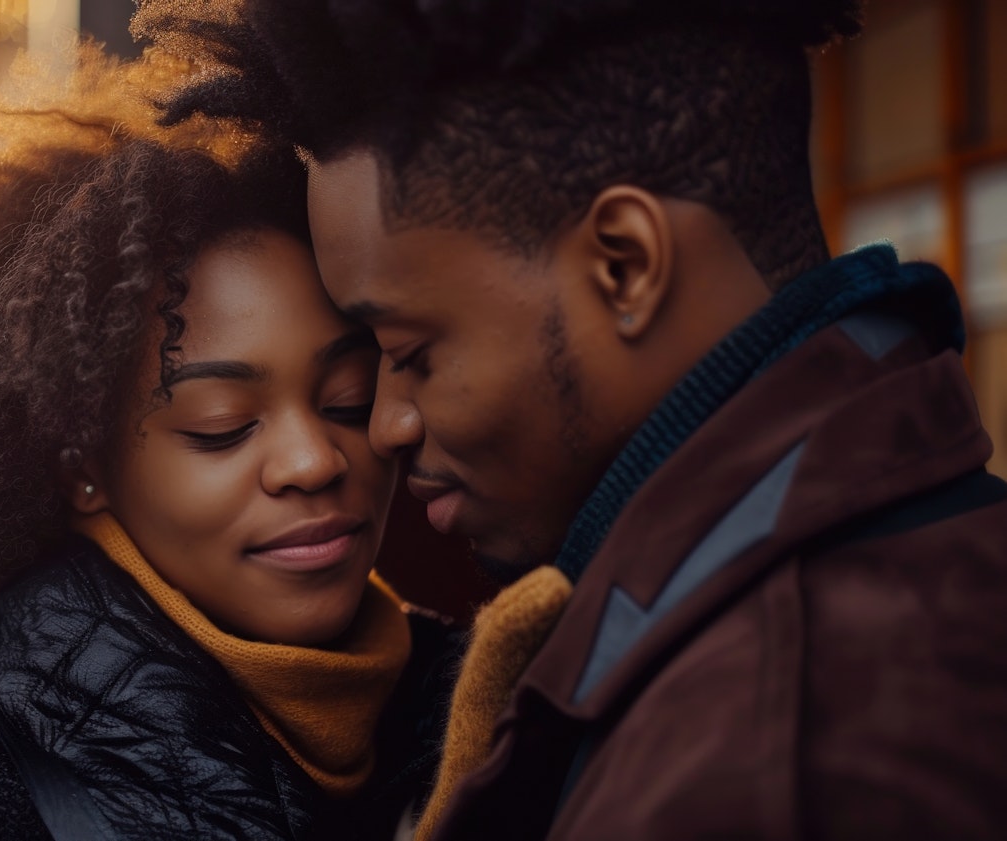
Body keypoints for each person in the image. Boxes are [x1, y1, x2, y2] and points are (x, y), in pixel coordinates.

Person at [134, 1, 1007, 838]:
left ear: (624, 266)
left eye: (411, 352)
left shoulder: (762, 757)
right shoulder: (920, 549)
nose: (390, 424)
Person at [0, 50, 458, 841]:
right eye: (222, 424)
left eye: (348, 399)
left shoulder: (510, 730)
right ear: (82, 468)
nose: (314, 460)